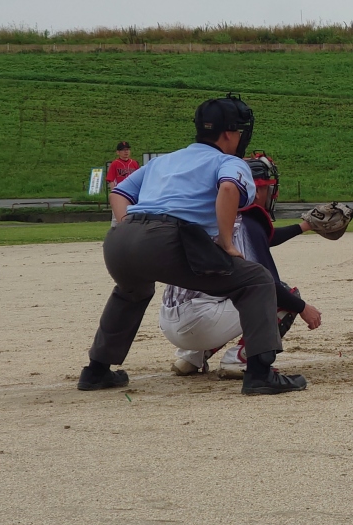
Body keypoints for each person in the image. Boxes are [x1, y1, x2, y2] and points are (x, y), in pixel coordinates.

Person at [76, 93, 307, 396]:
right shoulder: (228, 161)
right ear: (229, 134)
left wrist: (130, 226)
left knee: (132, 292)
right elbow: (228, 189)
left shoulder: (165, 160)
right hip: (167, 238)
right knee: (257, 280)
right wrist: (226, 243)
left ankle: (96, 371)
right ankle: (260, 373)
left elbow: (119, 193)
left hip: (119, 241)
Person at [160, 153, 323, 378]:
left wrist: (304, 226)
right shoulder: (248, 222)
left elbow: (263, 238)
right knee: (277, 292)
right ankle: (239, 359)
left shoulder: (211, 214)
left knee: (225, 290)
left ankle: (190, 357)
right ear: (256, 191)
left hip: (169, 321)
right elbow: (270, 285)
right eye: (268, 188)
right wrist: (303, 307)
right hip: (201, 324)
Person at [106, 141, 140, 226]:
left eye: (127, 149)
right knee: (116, 218)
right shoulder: (115, 164)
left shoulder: (134, 163)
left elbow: (139, 179)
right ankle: (114, 233)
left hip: (133, 194)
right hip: (121, 193)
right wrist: (115, 195)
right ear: (118, 152)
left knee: (133, 216)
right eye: (123, 150)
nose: (126, 152)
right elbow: (111, 180)